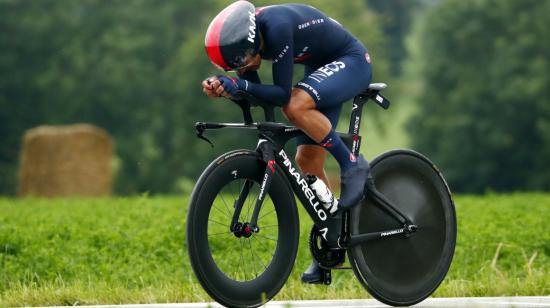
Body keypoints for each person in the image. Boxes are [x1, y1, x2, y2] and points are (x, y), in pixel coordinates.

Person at [201, 1, 372, 284]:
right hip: (320, 67)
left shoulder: (277, 27)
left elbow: (280, 95)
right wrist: (226, 89)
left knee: (294, 106)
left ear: (253, 41)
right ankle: (333, 241)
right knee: (307, 161)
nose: (241, 67)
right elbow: (255, 92)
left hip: (350, 60)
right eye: (233, 66)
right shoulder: (248, 42)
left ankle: (352, 164)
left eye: (242, 60)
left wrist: (239, 85)